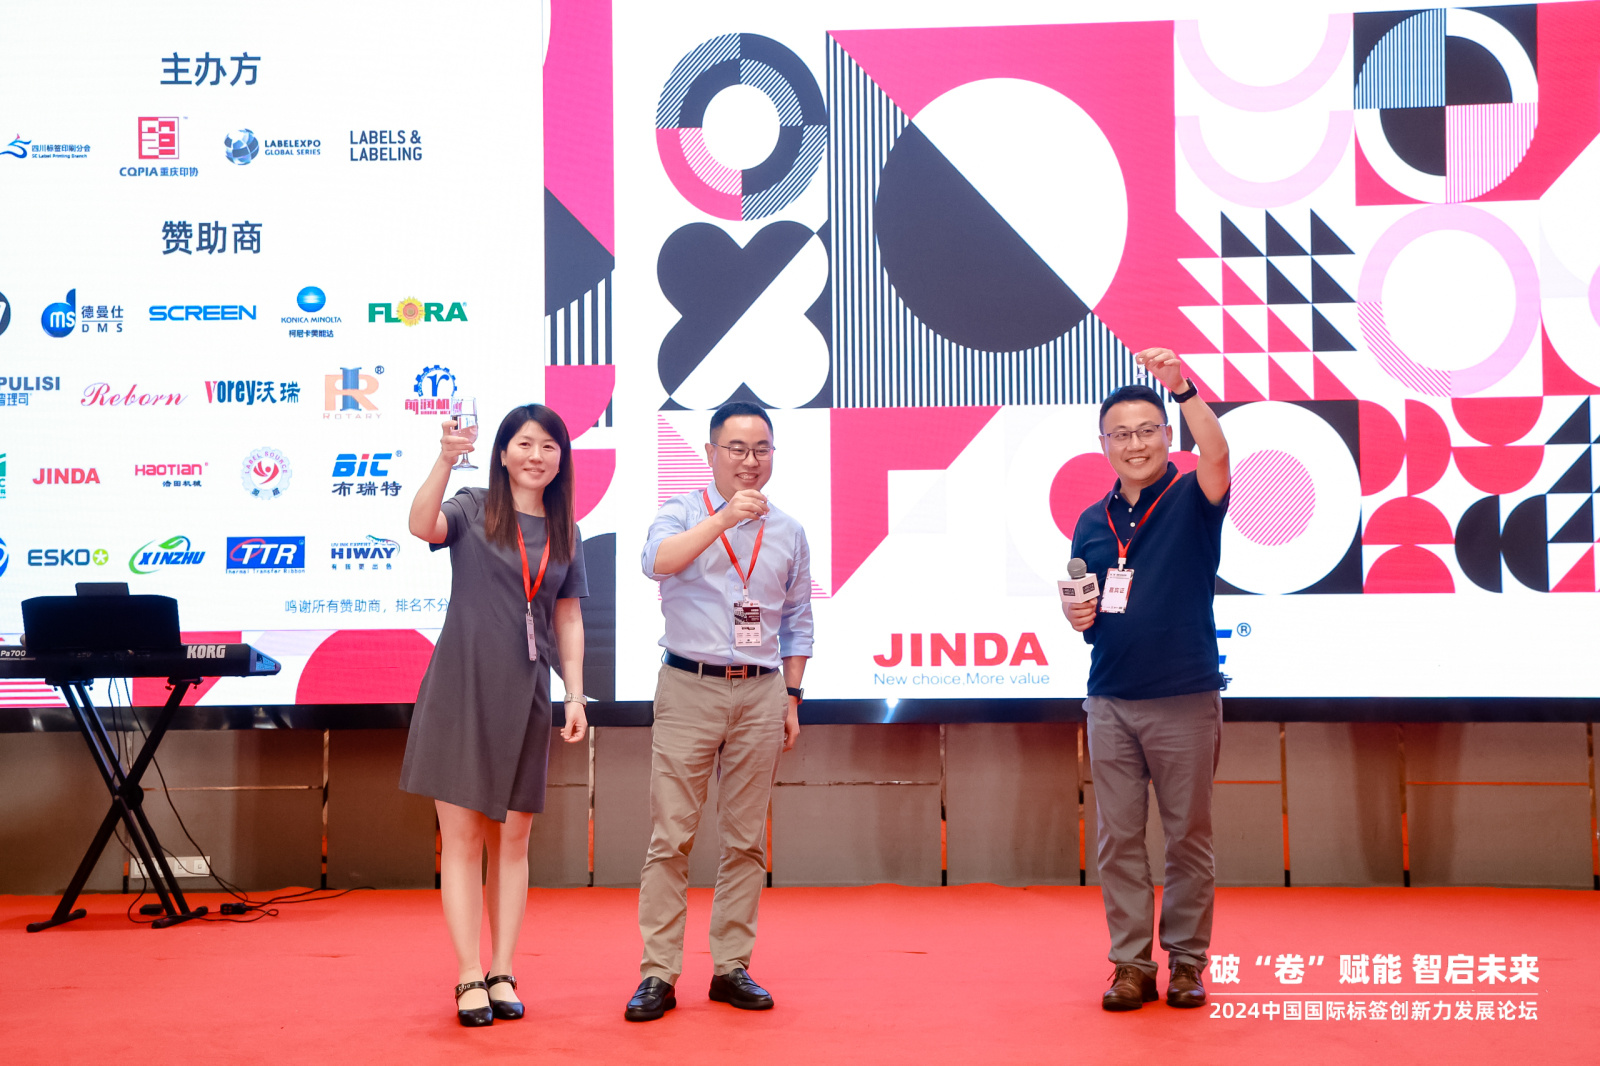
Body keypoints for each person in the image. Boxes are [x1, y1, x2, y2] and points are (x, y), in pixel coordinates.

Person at [399, 403, 590, 1027]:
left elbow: (568, 615)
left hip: (528, 693)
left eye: (549, 446)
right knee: (460, 840)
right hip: (461, 688)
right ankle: (467, 973)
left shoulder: (566, 530)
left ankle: (503, 969)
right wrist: (445, 456)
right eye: (525, 444)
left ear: (561, 460)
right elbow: (420, 525)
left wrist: (575, 694)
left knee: (513, 839)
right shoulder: (473, 506)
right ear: (503, 453)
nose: (537, 456)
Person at [623, 400, 812, 1022]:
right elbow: (656, 562)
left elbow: (798, 619)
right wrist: (726, 518)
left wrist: (792, 695)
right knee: (670, 838)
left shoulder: (789, 531)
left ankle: (731, 965)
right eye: (736, 448)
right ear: (710, 454)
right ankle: (658, 973)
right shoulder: (681, 511)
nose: (750, 460)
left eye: (761, 449)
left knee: (746, 840)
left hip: (761, 693)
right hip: (689, 686)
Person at [1066, 348, 1231, 1012]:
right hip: (1110, 698)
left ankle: (1187, 962)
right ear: (1104, 445)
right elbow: (1089, 603)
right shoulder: (1091, 520)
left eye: (1146, 431)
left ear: (1167, 435)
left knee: (1187, 836)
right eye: (1121, 434)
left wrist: (1183, 388)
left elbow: (1218, 453)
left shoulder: (1193, 495)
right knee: (1118, 841)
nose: (1134, 444)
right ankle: (1131, 965)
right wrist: (1078, 614)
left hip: (1185, 696)